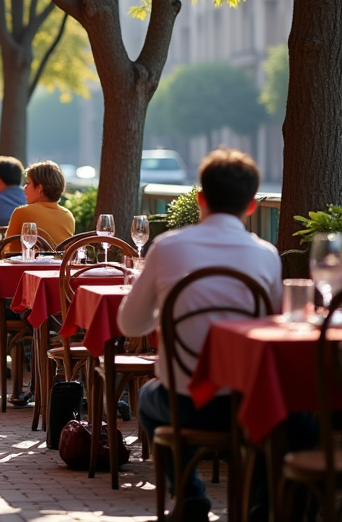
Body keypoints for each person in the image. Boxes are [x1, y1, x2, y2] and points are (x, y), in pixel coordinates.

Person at [117, 149, 292, 522]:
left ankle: (189, 492)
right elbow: (276, 329)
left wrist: (163, 311)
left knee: (149, 397)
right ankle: (260, 506)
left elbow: (130, 326)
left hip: (185, 404)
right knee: (299, 423)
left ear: (199, 198)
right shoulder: (266, 255)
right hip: (249, 403)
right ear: (250, 206)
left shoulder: (167, 247)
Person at [4, 160, 75, 252]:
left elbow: (5, 250)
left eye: (28, 183)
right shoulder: (68, 216)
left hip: (25, 265)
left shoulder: (22, 212)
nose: (24, 188)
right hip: (58, 266)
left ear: (39, 188)